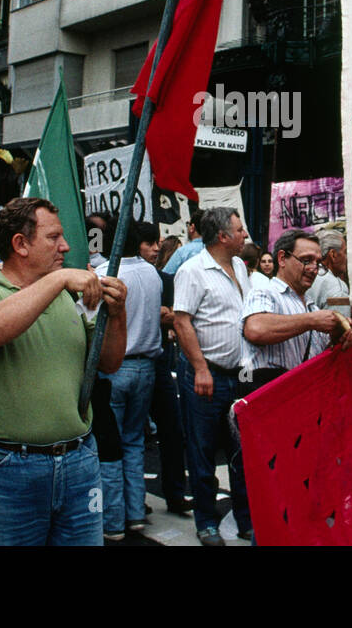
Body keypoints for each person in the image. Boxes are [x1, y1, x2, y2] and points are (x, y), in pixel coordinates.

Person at [0, 197, 127, 546]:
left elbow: (109, 362)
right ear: (20, 244)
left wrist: (118, 311)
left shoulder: (69, 298)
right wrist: (59, 279)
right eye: (53, 238)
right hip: (5, 469)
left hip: (79, 461)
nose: (65, 246)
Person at [171, 206, 252, 545]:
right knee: (203, 452)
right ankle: (207, 522)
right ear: (222, 236)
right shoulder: (192, 271)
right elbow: (181, 321)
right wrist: (201, 368)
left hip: (240, 376)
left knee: (242, 454)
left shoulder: (241, 267)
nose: (245, 235)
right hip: (207, 376)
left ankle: (247, 520)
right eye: (239, 229)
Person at [97, 220, 164, 541]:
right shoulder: (152, 273)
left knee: (109, 446)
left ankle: (112, 519)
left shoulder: (107, 276)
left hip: (114, 368)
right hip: (146, 368)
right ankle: (135, 511)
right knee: (135, 441)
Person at [240, 229, 339, 386]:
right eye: (306, 260)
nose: (313, 268)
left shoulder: (312, 307)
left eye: (318, 263)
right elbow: (256, 329)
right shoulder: (265, 292)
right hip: (269, 399)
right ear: (282, 258)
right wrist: (311, 321)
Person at [143, 227, 190, 515]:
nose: (156, 248)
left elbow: (176, 316)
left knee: (172, 431)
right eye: (150, 243)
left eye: (159, 243)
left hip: (160, 362)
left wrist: (168, 316)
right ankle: (134, 501)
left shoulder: (166, 280)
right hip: (130, 362)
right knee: (133, 437)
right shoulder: (120, 274)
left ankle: (175, 494)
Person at [305, 229, 349, 311]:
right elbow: (341, 322)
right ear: (333, 255)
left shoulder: (302, 275)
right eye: (345, 252)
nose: (347, 257)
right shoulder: (337, 288)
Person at [162, 209, 205, 275]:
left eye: (188, 224)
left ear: (192, 228)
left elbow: (165, 276)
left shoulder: (183, 252)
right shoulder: (217, 250)